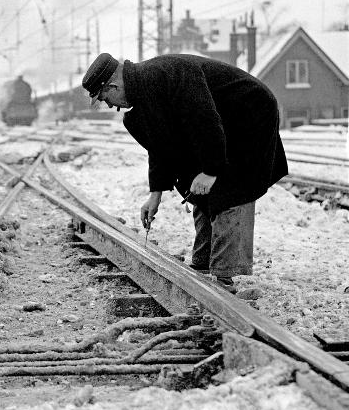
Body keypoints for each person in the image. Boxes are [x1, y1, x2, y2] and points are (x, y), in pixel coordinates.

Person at [82, 53, 288, 293]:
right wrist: (155, 193)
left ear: (114, 85)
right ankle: (203, 264)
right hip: (217, 126)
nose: (110, 105)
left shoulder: (165, 74)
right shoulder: (143, 99)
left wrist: (211, 171)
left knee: (231, 189)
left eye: (105, 97)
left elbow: (204, 119)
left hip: (247, 115)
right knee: (195, 183)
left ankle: (223, 278)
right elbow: (161, 146)